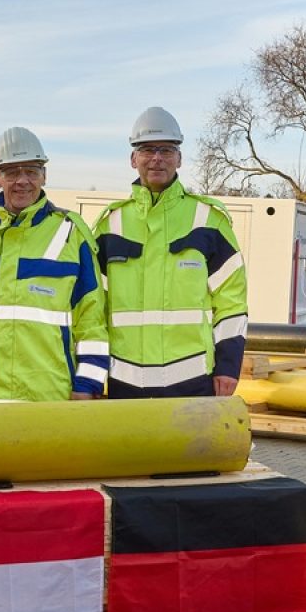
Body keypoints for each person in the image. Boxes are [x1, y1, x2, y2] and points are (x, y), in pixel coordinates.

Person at [95, 107, 248, 398]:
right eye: (147, 150)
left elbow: (232, 303)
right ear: (133, 159)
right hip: (123, 381)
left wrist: (228, 367)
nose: (156, 158)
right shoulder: (108, 226)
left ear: (179, 158)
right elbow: (91, 309)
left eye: (166, 150)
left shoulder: (209, 220)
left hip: (192, 379)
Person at [0, 127, 108, 403]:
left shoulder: (71, 234)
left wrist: (87, 383)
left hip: (50, 401)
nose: (22, 181)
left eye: (31, 171)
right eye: (12, 172)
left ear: (44, 175)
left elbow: (92, 319)